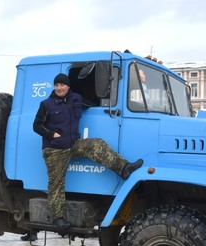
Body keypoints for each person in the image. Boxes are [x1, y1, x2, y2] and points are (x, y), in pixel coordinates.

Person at [35, 73, 144, 230]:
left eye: (62, 85)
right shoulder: (47, 104)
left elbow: (94, 103)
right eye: (56, 85)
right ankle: (57, 219)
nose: (59, 88)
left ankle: (124, 168)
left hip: (73, 144)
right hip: (55, 149)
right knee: (56, 184)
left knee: (96, 144)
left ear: (68, 87)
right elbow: (37, 125)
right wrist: (52, 135)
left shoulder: (76, 99)